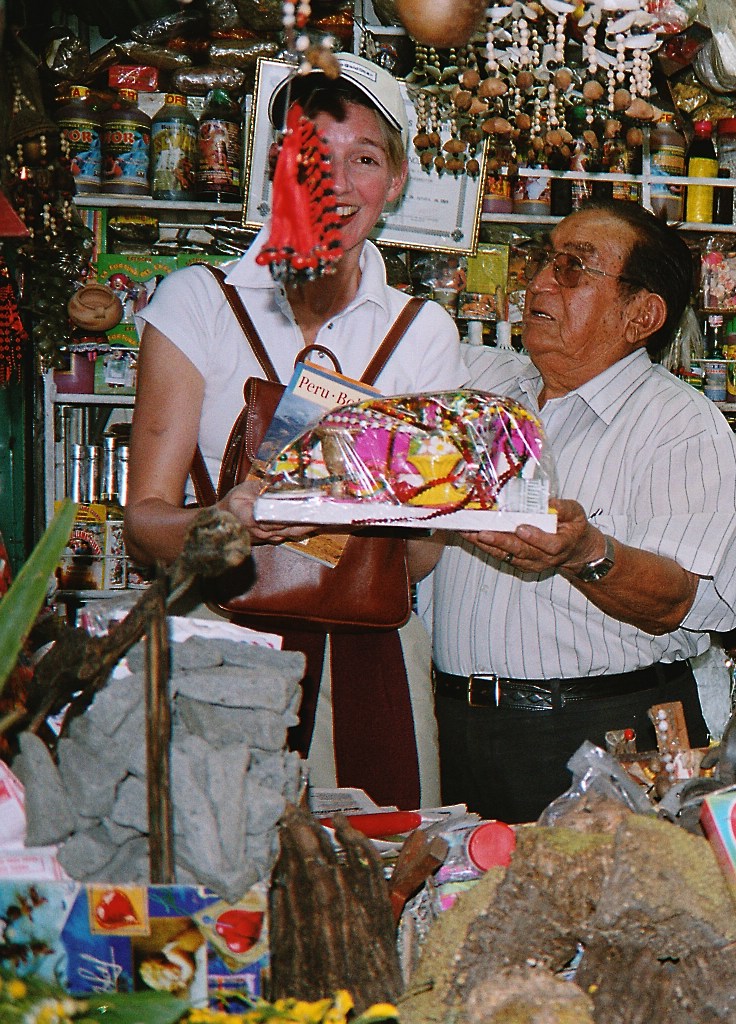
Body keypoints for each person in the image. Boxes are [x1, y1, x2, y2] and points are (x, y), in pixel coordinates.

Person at [125, 55, 467, 810]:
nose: (335, 183)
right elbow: (145, 527)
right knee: (219, 884)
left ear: (398, 181)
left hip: (370, 651)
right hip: (220, 644)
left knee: (376, 880)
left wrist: (401, 508)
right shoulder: (197, 304)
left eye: (365, 159)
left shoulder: (423, 331)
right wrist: (224, 523)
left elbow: (418, 557)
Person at [428, 199, 736, 825]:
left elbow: (687, 603)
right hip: (456, 724)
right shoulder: (483, 390)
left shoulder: (682, 427)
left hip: (599, 734)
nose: (540, 282)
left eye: (574, 268)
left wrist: (585, 553)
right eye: (544, 261)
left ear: (642, 315)